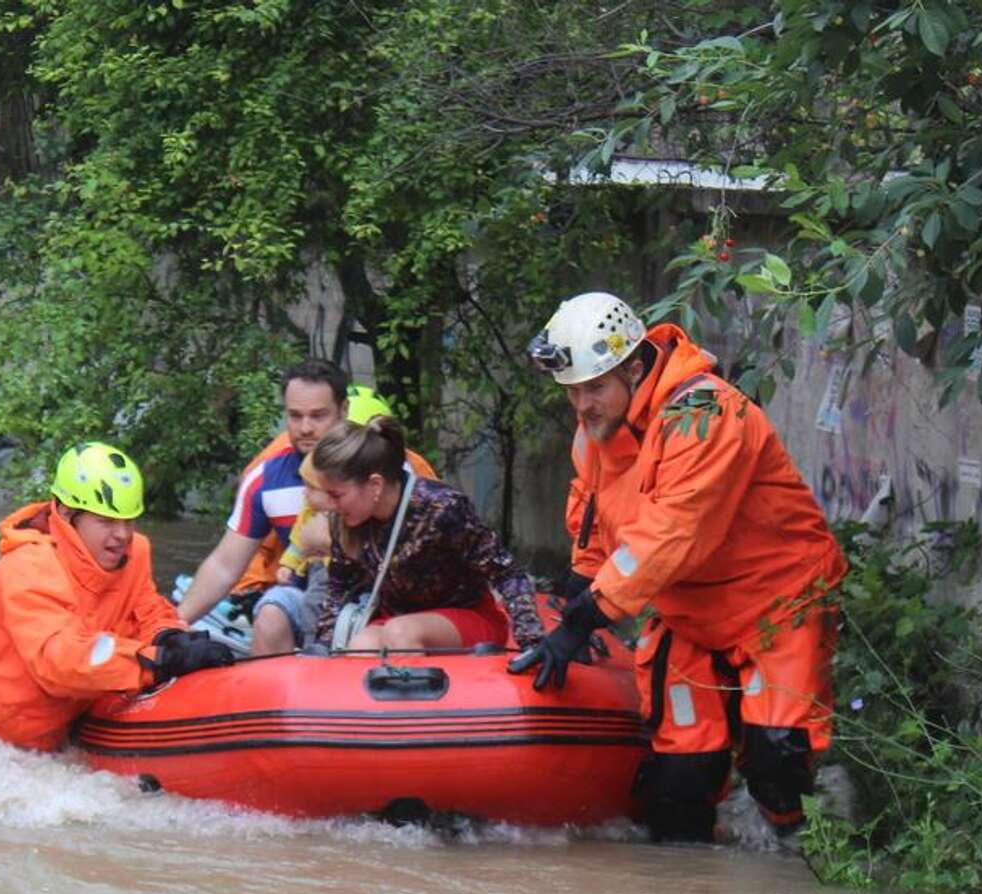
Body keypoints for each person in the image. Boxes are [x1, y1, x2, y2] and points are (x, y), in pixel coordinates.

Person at [511, 291, 846, 843]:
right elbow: (595, 520)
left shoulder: (707, 416)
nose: (581, 405)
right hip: (687, 610)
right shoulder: (599, 433)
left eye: (593, 388)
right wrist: (570, 598)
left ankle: (810, 860)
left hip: (775, 602)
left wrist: (585, 618)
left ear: (636, 366)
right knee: (678, 781)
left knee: (777, 763)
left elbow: (674, 529)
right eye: (571, 392)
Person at [0, 442, 235, 751]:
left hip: (52, 734)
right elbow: (61, 661)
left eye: (129, 520)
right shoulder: (27, 569)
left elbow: (146, 611)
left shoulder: (135, 552)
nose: (122, 535)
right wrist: (158, 662)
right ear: (65, 513)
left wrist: (170, 638)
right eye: (106, 521)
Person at [308, 417, 546, 652]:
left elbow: (506, 572)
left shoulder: (441, 507)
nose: (329, 505)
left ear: (375, 485)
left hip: (467, 617)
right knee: (361, 645)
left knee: (400, 634)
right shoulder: (346, 522)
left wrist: (531, 641)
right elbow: (339, 587)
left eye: (337, 495)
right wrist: (320, 646)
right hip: (395, 620)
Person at [251, 386, 438, 653]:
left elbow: (413, 569)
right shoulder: (279, 481)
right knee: (281, 609)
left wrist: (330, 543)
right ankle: (314, 654)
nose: (306, 428)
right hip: (319, 588)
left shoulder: (420, 498)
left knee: (380, 633)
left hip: (390, 605)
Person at [175, 359, 348, 631]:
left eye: (318, 416)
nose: (305, 428)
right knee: (270, 610)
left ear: (343, 411)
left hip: (373, 603)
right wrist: (170, 625)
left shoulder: (381, 470)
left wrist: (333, 541)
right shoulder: (264, 481)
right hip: (303, 597)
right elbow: (224, 566)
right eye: (294, 416)